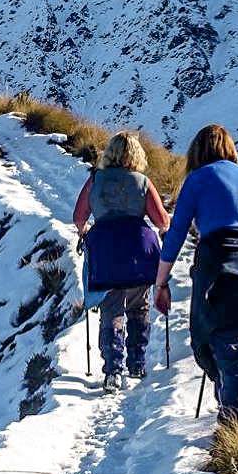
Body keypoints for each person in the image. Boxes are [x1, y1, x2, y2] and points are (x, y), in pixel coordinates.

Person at [155, 125, 238, 423]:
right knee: (234, 344)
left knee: (222, 342)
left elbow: (176, 235)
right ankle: (232, 416)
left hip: (219, 264)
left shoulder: (197, 179)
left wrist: (160, 282)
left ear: (197, 152)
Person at [74, 132, 170, 390]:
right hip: (139, 250)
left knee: (111, 309)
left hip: (106, 251)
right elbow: (161, 220)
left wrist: (84, 232)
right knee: (139, 307)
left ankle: (112, 371)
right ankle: (137, 362)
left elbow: (79, 216)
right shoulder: (142, 182)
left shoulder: (95, 179)